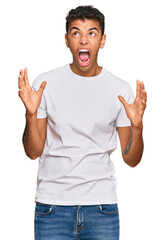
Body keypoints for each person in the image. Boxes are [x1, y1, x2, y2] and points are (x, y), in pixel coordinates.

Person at [18, 5, 147, 240]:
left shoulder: (120, 90)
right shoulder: (46, 84)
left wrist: (137, 127)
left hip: (102, 208)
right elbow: (33, 151)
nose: (84, 41)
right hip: (52, 207)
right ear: (67, 40)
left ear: (103, 40)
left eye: (92, 33)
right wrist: (30, 114)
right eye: (76, 33)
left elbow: (132, 159)